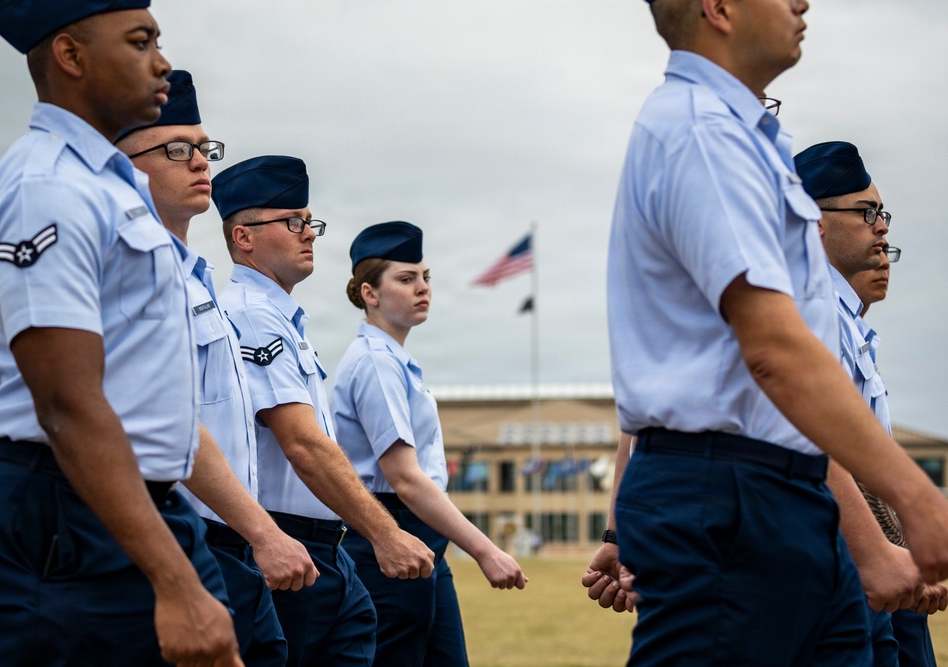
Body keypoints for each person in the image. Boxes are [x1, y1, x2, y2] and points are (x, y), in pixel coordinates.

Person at [584, 0, 948, 665]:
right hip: (727, 498)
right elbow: (775, 352)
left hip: (780, 493)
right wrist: (916, 495)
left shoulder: (744, 138)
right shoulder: (702, 134)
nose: (801, 3)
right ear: (718, 8)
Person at [0, 2, 241, 665]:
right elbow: (67, 404)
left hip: (126, 502)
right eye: (140, 42)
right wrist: (175, 582)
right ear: (71, 56)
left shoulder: (106, 185)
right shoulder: (45, 188)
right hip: (65, 515)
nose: (161, 62)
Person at [116, 69, 322, 666]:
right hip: (183, 539)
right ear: (125, 165)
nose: (200, 162)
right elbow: (171, 422)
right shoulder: (132, 274)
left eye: (204, 148)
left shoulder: (195, 280)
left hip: (233, 543)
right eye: (178, 149)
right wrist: (264, 532)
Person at [211, 155, 436, 667]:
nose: (308, 233)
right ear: (244, 237)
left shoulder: (283, 319)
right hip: (288, 549)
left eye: (310, 221)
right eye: (292, 222)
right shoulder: (251, 317)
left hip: (327, 548)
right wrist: (385, 532)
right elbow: (303, 445)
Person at [331, 221, 528, 666]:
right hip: (392, 531)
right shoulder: (376, 364)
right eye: (406, 279)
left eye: (426, 277)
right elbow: (406, 480)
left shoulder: (394, 361)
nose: (423, 288)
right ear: (369, 293)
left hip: (420, 534)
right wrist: (486, 550)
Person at [797, 141, 944, 667]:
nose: (882, 228)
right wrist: (886, 545)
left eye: (881, 213)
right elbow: (821, 441)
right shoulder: (813, 309)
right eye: (865, 213)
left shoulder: (845, 319)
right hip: (852, 543)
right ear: (814, 219)